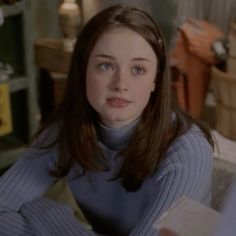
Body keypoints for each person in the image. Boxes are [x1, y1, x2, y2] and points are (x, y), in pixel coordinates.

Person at [0, 4, 214, 236]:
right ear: (83, 72)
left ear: (155, 80)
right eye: (105, 65)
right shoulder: (66, 130)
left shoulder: (187, 150)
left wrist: (50, 215)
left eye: (138, 69)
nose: (120, 83)